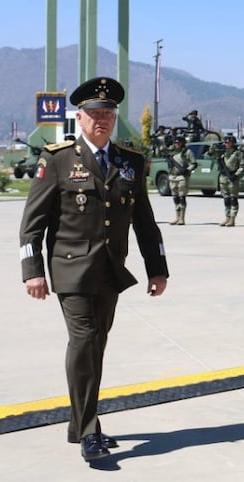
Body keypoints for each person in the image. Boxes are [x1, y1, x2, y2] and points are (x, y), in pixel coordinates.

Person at [18, 77, 168, 463]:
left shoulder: (129, 162)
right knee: (84, 342)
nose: (102, 120)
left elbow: (145, 223)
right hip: (70, 270)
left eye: (108, 114)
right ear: (79, 118)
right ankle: (89, 431)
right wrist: (32, 270)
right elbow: (32, 224)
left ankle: (78, 422)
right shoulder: (58, 159)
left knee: (96, 347)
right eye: (94, 114)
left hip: (110, 271)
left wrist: (158, 268)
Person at [166, 135, 197, 225]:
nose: (177, 144)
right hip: (173, 176)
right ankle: (177, 217)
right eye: (175, 143)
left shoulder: (187, 152)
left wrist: (187, 170)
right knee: (175, 198)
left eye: (179, 142)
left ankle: (182, 218)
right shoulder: (172, 152)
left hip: (182, 177)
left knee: (182, 197)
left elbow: (194, 163)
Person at [213, 134, 243, 226]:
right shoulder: (222, 153)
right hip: (223, 177)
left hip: (232, 177)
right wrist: (213, 147)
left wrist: (236, 175)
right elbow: (207, 155)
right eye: (225, 142)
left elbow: (242, 166)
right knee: (226, 199)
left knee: (233, 199)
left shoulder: (237, 153)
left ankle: (232, 218)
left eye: (228, 142)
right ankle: (227, 217)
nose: (226, 144)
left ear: (233, 143)